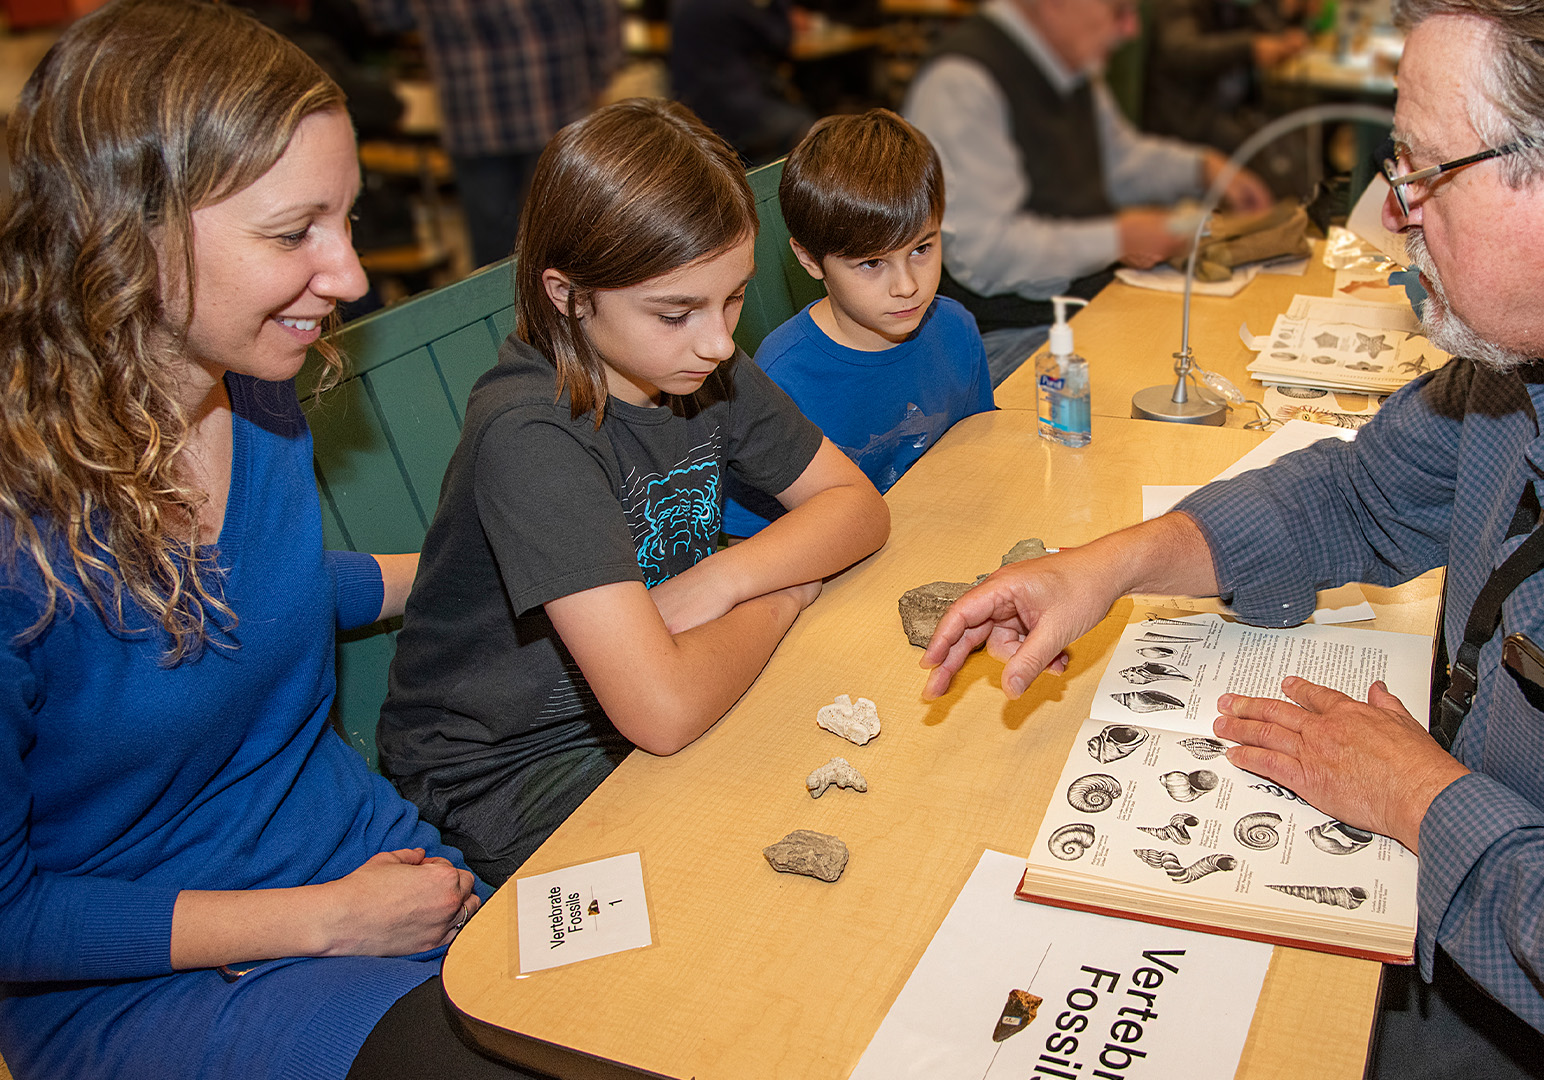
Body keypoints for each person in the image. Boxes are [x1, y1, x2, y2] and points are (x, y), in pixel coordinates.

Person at [920, 0, 1544, 1077]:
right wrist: (1110, 563)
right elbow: (1361, 493)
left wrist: (1418, 797)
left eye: (1424, 174)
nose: (1395, 219)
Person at [0, 3, 542, 1078]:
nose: (348, 276)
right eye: (296, 233)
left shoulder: (257, 390)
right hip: (157, 975)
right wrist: (328, 921)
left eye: (344, 220)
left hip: (363, 866)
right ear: (126, 234)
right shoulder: (21, 542)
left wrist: (482, 571)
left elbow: (259, 590)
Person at [379, 99, 891, 888]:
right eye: (677, 311)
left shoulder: (695, 363)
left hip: (654, 688)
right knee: (735, 881)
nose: (720, 339)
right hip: (510, 766)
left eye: (733, 297)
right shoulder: (531, 435)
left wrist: (720, 579)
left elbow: (856, 506)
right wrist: (785, 596)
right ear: (569, 294)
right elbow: (664, 711)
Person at [901, 0, 1275, 384]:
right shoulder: (961, 82)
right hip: (996, 337)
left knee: (1210, 347)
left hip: (1079, 304)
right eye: (1118, 12)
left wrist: (1204, 169)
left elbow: (1117, 161)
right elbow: (987, 255)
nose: (1131, 30)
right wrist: (1113, 240)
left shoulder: (1065, 60)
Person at [721, 109, 994, 538]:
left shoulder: (955, 328)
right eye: (871, 263)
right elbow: (749, 539)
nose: (907, 286)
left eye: (922, 249)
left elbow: (980, 455)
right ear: (810, 259)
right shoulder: (780, 378)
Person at [355, 0, 624, 267]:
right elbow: (600, 12)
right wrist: (601, 71)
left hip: (473, 109)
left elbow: (389, 14)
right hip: (551, 101)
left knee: (497, 258)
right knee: (565, 244)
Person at [1142, 0, 1313, 199]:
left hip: (1232, 111)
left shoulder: (1238, 6)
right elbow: (1182, 51)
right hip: (1188, 116)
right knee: (1270, 162)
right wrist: (1249, 48)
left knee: (1295, 144)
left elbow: (1271, 31)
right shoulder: (1179, 5)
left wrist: (1293, 22)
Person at [669, 0, 815, 165]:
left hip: (689, 106)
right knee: (807, 128)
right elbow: (780, 37)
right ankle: (766, 182)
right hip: (733, 111)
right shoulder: (732, 5)